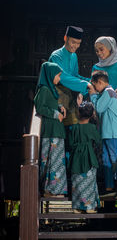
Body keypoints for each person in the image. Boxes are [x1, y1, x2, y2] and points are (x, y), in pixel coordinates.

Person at [89, 71, 117, 199]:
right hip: (107, 132)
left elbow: (99, 108)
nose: (95, 89)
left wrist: (93, 96)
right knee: (106, 160)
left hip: (113, 132)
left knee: (115, 159)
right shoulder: (107, 93)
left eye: (95, 86)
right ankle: (109, 187)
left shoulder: (108, 92)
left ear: (100, 82)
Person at [34, 62, 67, 197]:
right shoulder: (44, 89)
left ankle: (55, 190)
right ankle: (50, 190)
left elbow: (50, 104)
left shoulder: (50, 89)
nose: (59, 79)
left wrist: (59, 107)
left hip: (56, 130)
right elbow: (40, 107)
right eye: (57, 75)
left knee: (57, 161)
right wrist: (55, 114)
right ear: (50, 75)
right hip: (50, 131)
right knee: (51, 161)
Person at [49, 25, 93, 127]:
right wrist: (86, 84)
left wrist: (90, 82)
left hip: (69, 96)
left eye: (78, 43)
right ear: (65, 38)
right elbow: (62, 77)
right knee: (58, 129)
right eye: (73, 42)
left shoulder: (74, 56)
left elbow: (74, 76)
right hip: (57, 96)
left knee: (73, 128)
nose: (75, 46)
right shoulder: (56, 56)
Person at [68, 102, 101, 213]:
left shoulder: (73, 128)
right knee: (89, 181)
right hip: (89, 156)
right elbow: (98, 140)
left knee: (76, 182)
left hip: (76, 158)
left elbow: (70, 144)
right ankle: (89, 207)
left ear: (78, 113)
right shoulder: (91, 127)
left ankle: (77, 207)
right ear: (91, 115)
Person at [92, 36, 117, 111]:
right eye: (97, 51)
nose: (99, 53)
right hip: (101, 104)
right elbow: (92, 85)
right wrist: (81, 93)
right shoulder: (96, 67)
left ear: (109, 48)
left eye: (101, 49)